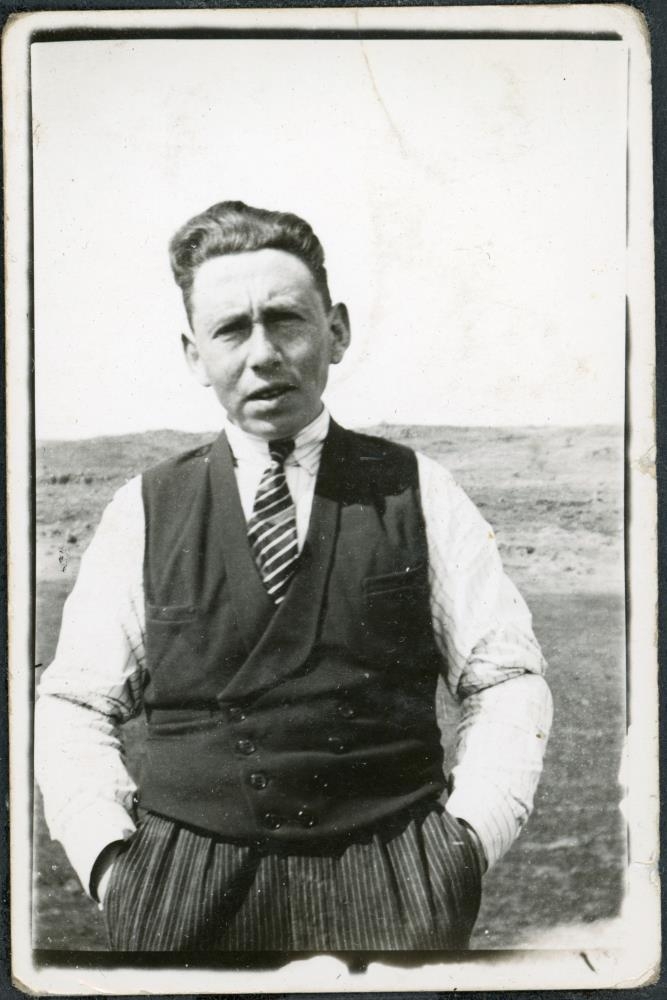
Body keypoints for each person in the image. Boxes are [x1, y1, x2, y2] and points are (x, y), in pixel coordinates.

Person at [36, 200, 553, 953]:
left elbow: (504, 679)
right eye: (230, 330)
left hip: (392, 884)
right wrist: (112, 864)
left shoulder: (418, 490)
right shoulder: (144, 509)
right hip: (183, 894)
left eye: (285, 321)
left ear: (335, 331)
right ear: (194, 355)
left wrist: (462, 847)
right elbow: (77, 703)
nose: (263, 354)